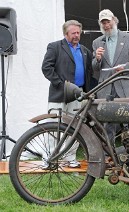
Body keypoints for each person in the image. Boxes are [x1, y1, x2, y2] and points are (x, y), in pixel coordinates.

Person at [42, 20, 93, 168]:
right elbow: (46, 68)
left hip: (78, 94)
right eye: (73, 33)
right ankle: (50, 158)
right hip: (59, 94)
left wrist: (87, 91)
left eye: (78, 33)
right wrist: (61, 84)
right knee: (54, 127)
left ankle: (70, 158)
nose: (76, 35)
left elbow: (89, 71)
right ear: (65, 34)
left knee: (75, 128)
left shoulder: (85, 50)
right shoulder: (55, 47)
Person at [92, 9, 129, 143]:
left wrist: (125, 67)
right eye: (103, 23)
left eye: (108, 21)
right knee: (107, 123)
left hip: (124, 85)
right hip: (105, 87)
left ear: (114, 20)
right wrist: (97, 58)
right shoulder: (97, 42)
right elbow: (96, 68)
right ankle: (109, 155)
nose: (106, 25)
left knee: (128, 121)